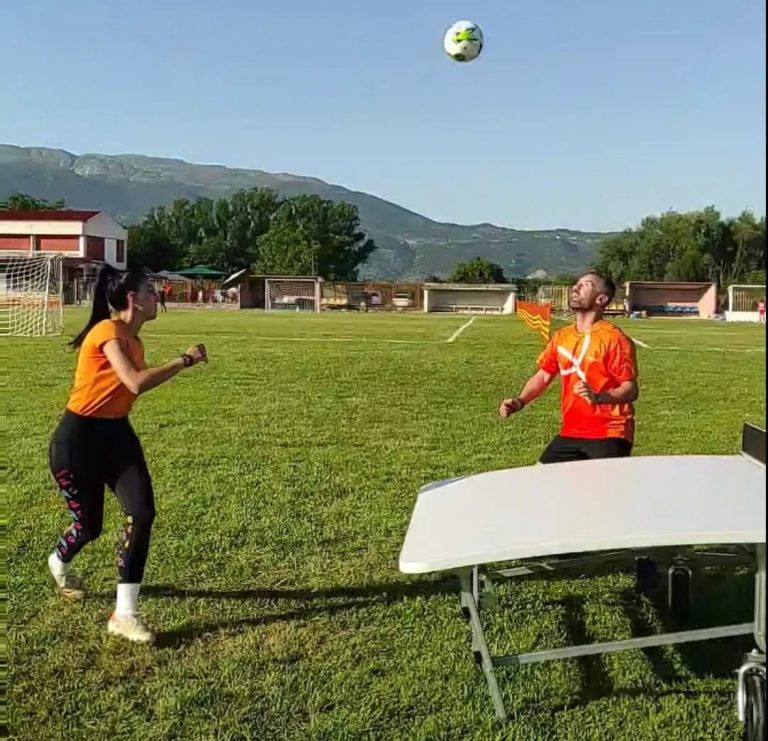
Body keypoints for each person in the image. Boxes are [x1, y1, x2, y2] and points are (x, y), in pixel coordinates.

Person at [48, 264, 208, 644]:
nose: (158, 297)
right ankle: (59, 560)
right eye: (152, 291)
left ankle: (125, 614)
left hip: (117, 434)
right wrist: (184, 360)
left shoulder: (134, 341)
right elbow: (134, 382)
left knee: (142, 512)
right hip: (78, 440)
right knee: (89, 527)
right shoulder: (108, 332)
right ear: (133, 299)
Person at [499, 272, 639, 463]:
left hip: (610, 431)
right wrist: (519, 401)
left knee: (601, 491)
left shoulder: (614, 340)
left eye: (586, 285)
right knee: (543, 479)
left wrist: (598, 397)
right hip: (571, 431)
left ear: (601, 299)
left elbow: (630, 390)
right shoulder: (562, 337)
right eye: (577, 284)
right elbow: (543, 376)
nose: (576, 288)